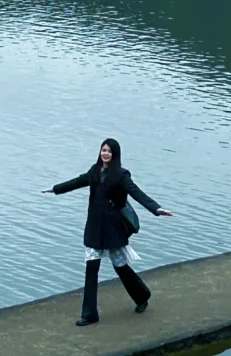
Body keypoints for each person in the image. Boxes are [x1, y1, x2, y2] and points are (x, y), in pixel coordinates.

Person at [42, 138, 173, 326]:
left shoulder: (121, 175)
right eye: (103, 150)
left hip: (113, 230)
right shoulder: (95, 171)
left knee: (120, 267)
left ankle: (142, 295)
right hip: (94, 229)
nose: (105, 153)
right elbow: (77, 181)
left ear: (115, 154)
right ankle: (89, 314)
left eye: (109, 151)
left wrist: (156, 209)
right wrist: (55, 189)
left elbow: (137, 193)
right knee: (91, 269)